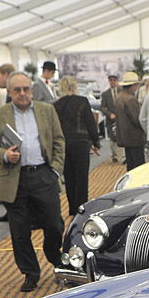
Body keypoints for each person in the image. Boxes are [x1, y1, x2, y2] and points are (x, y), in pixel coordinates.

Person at [0, 72, 65, 292]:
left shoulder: (47, 110)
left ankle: (54, 256)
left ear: (31, 90)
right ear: (9, 92)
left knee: (53, 224)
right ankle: (30, 273)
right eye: (17, 90)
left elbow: (59, 140)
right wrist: (3, 154)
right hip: (14, 178)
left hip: (43, 175)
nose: (22, 94)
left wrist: (55, 170)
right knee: (20, 231)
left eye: (26, 89)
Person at [53, 75, 100, 217]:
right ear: (75, 86)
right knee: (81, 177)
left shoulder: (57, 105)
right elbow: (90, 123)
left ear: (61, 88)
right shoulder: (82, 101)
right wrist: (96, 142)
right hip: (81, 143)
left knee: (69, 177)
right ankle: (82, 208)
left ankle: (72, 209)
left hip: (64, 144)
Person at [114, 71, 146, 170]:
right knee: (138, 167)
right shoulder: (130, 99)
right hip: (135, 138)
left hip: (125, 138)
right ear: (133, 85)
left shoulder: (119, 97)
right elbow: (137, 119)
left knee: (131, 166)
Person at [100, 73, 123, 163]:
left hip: (121, 118)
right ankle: (114, 155)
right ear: (109, 81)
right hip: (111, 119)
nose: (112, 82)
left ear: (116, 81)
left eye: (114, 80)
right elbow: (102, 107)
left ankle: (124, 156)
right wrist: (109, 114)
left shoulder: (121, 91)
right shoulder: (105, 94)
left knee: (123, 136)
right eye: (111, 80)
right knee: (112, 138)